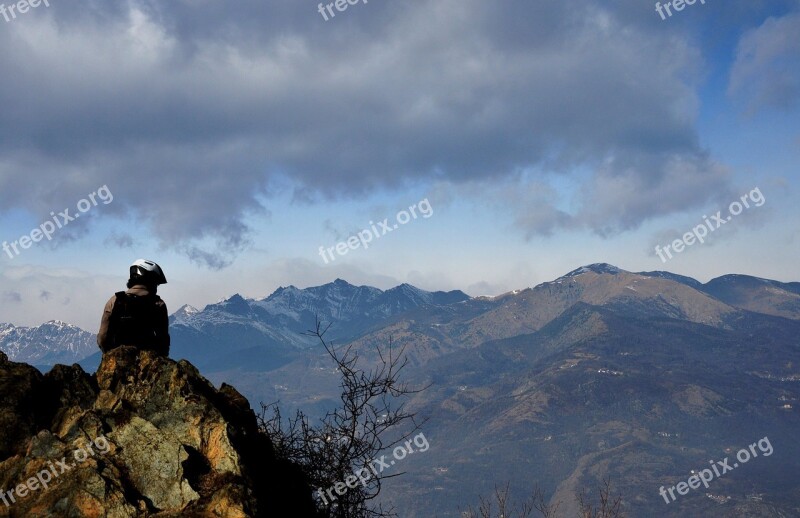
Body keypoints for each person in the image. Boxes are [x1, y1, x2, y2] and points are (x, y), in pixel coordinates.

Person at [97, 259, 170, 356]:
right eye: (156, 283)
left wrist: (110, 356)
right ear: (150, 280)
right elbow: (163, 340)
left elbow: (103, 337)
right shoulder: (158, 304)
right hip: (147, 362)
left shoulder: (114, 300)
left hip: (118, 362)